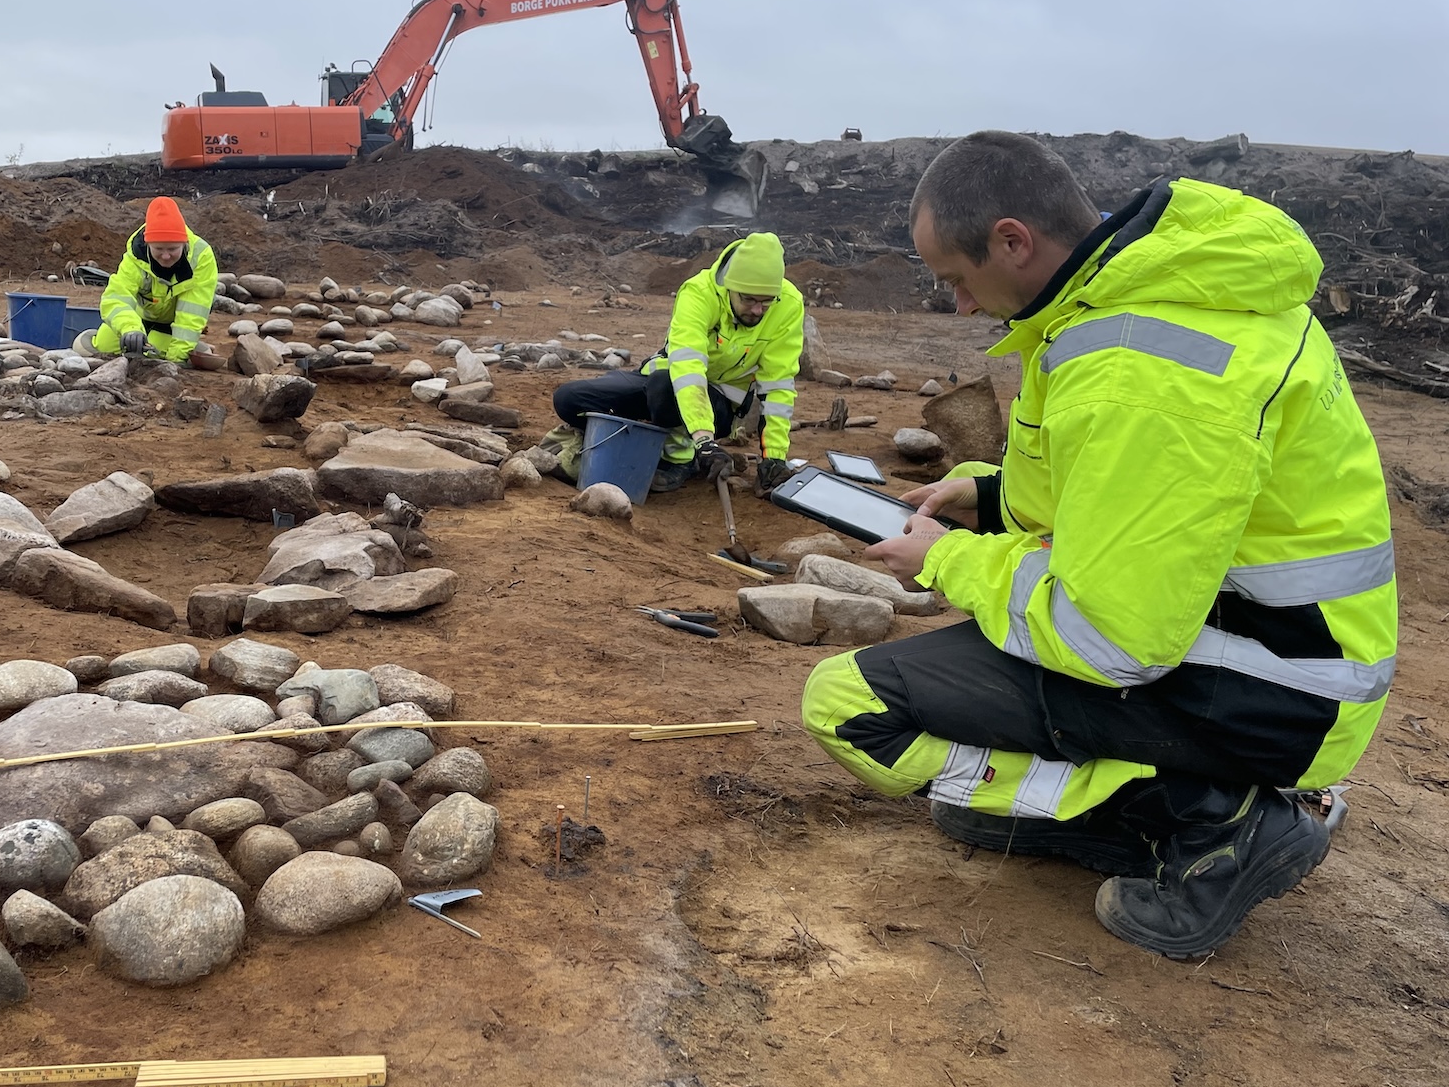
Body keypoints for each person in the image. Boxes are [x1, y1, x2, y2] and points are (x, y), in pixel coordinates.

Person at [800, 131, 1397, 959]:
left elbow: (1107, 637)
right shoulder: (1142, 297)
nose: (962, 307)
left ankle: (1218, 824)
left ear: (1013, 240)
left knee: (847, 706)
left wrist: (942, 559)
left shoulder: (1141, 373)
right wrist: (988, 494)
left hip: (1266, 689)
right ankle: (1150, 798)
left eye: (957, 281)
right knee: (967, 768)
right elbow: (1104, 493)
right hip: (1278, 649)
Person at [545, 230, 803, 491]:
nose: (758, 310)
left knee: (664, 388)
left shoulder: (789, 305)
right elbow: (688, 370)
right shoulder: (699, 293)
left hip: (719, 407)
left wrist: (774, 458)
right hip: (666, 383)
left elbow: (778, 387)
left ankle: (679, 459)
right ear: (729, 287)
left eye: (767, 301)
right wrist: (704, 440)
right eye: (748, 299)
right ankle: (656, 436)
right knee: (570, 399)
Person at [80, 195, 218, 362]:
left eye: (173, 249)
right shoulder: (135, 257)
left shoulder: (201, 258)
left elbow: (191, 316)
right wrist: (130, 330)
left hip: (172, 327)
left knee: (156, 352)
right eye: (158, 248)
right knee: (103, 346)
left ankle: (195, 349)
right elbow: (116, 298)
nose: (166, 256)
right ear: (147, 244)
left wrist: (176, 360)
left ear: (184, 243)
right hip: (139, 320)